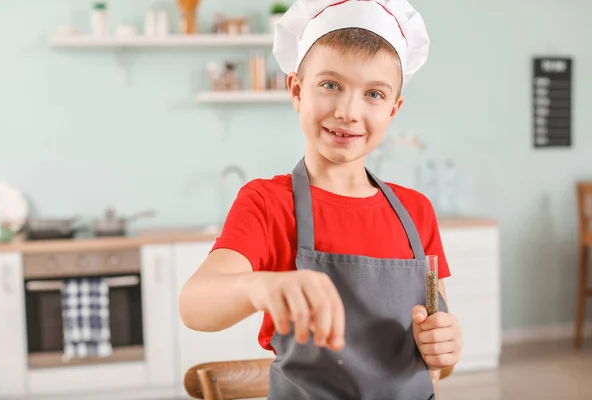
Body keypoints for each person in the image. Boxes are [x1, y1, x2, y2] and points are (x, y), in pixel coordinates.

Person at [179, 0, 463, 398]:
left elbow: (439, 354)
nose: (348, 111)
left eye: (374, 94)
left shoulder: (416, 211)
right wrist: (260, 287)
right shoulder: (267, 203)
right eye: (330, 85)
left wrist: (445, 348)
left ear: (394, 109)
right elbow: (194, 306)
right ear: (296, 90)